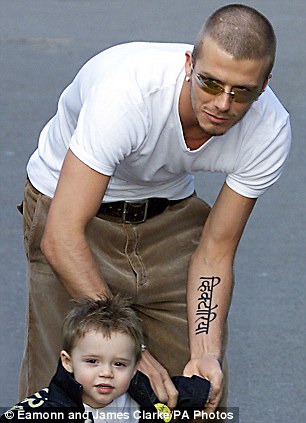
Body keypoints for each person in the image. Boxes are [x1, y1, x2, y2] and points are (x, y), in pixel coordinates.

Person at [19, 4, 291, 421]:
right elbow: (62, 236)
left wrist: (206, 352)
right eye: (210, 83)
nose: (222, 103)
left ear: (265, 84)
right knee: (72, 386)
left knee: (195, 391)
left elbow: (216, 251)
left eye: (243, 92)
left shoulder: (269, 129)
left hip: (168, 214)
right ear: (189, 63)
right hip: (73, 214)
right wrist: (132, 348)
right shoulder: (127, 95)